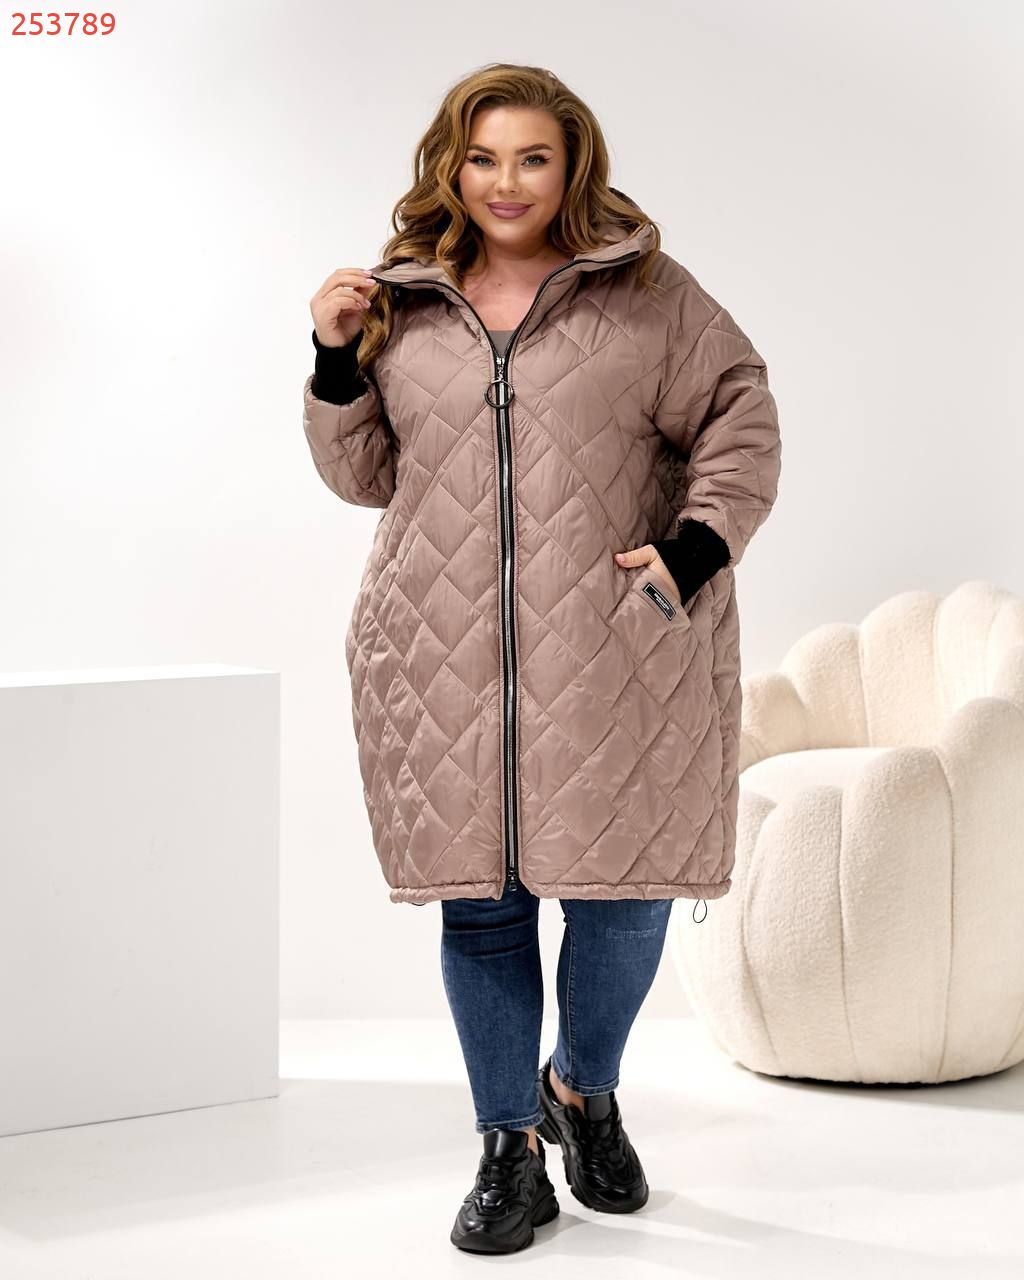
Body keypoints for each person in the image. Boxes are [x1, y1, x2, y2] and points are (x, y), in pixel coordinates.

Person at [303, 62, 782, 1255]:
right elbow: (365, 476)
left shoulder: (648, 295)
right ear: (449, 167)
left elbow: (739, 409)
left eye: (531, 157)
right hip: (442, 652)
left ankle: (582, 1086)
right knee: (482, 906)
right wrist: (333, 357)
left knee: (625, 897)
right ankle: (507, 1148)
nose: (504, 181)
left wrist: (692, 548)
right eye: (481, 157)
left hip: (613, 645)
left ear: (572, 168)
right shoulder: (404, 301)